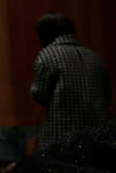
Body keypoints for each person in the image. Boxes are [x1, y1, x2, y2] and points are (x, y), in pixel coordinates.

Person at [30, 12, 111, 147]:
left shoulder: (49, 54)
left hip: (61, 139)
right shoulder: (96, 58)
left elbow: (39, 94)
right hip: (96, 139)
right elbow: (107, 97)